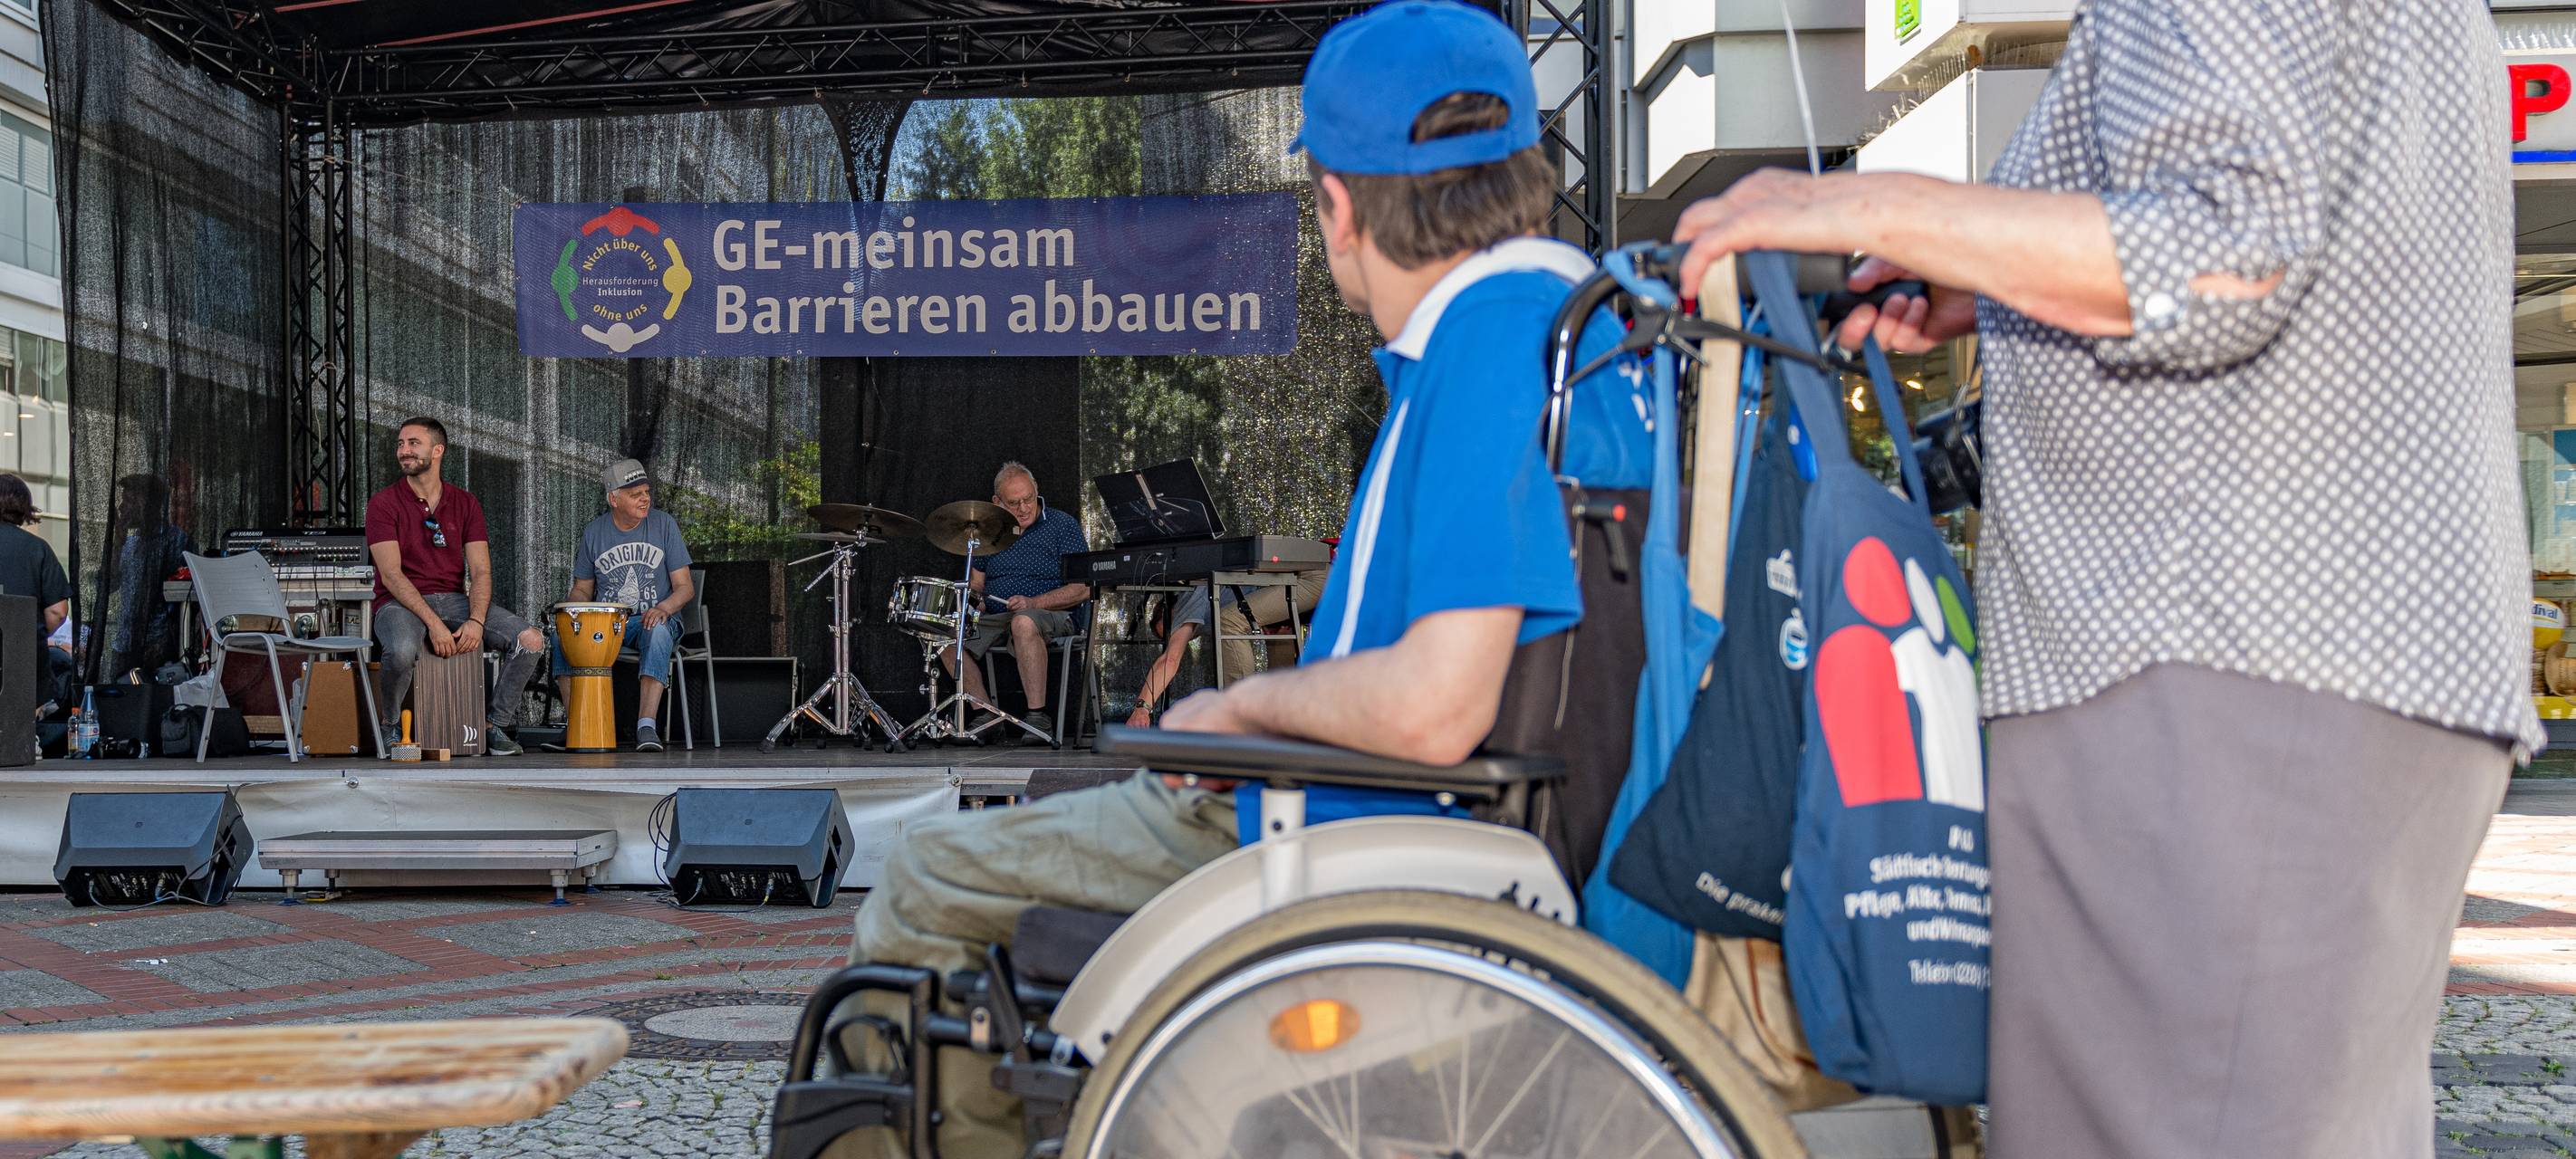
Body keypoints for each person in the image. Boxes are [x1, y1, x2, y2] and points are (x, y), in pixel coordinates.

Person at [1668, 4, 2530, 1155]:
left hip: (2211, 653)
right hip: (2333, 650)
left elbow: (2224, 252)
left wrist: (1847, 200)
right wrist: (1999, 278)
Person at [841, 5, 1650, 1154]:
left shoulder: (1488, 343)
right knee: (1049, 814)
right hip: (1433, 815)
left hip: (1342, 824)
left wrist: (1231, 709)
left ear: (1341, 198)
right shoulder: (1591, 331)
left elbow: (1435, 702)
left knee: (926, 873)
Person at [363, 417, 545, 756]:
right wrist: (433, 624)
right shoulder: (383, 503)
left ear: (437, 450)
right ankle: (389, 726)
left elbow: (481, 571)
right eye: (400, 444)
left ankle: (494, 725)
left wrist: (475, 620)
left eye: (413, 443)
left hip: (454, 600)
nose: (404, 451)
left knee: (531, 641)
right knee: (401, 652)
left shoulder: (465, 502)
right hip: (398, 603)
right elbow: (390, 575)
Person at [937, 461, 1089, 742]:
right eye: (1014, 502)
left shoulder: (1062, 526)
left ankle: (1037, 719)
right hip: (998, 615)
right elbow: (976, 585)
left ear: (1036, 491)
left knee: (1023, 622)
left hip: (1052, 614)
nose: (1023, 508)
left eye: (1028, 499)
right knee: (945, 635)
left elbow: (1083, 588)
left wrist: (1034, 602)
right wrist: (975, 602)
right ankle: (986, 715)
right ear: (997, 502)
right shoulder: (990, 531)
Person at [555, 458, 694, 752]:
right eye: (635, 494)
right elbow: (582, 589)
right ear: (613, 498)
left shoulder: (664, 525)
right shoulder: (594, 532)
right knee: (561, 637)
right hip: (609, 625)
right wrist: (572, 611)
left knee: (656, 630)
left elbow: (685, 588)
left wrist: (664, 608)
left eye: (646, 492)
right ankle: (577, 724)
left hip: (657, 618)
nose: (645, 499)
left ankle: (647, 726)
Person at [1122, 569, 1327, 727]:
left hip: (1312, 577)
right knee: (1277, 637)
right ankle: (1283, 730)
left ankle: (1241, 720)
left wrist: (1142, 708)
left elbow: (1170, 659)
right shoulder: (1205, 612)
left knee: (1228, 621)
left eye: (1171, 630)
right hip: (1314, 578)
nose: (1179, 635)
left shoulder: (1187, 598)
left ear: (1169, 610)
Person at [105, 474, 195, 682]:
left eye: (128, 500)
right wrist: (117, 544)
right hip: (125, 644)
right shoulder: (129, 544)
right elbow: (109, 585)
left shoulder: (176, 540)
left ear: (146, 503)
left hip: (159, 645)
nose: (121, 507)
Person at [0, 474, 73, 709]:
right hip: (26, 660)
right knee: (21, 732)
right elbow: (58, 612)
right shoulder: (38, 549)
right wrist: (32, 631)